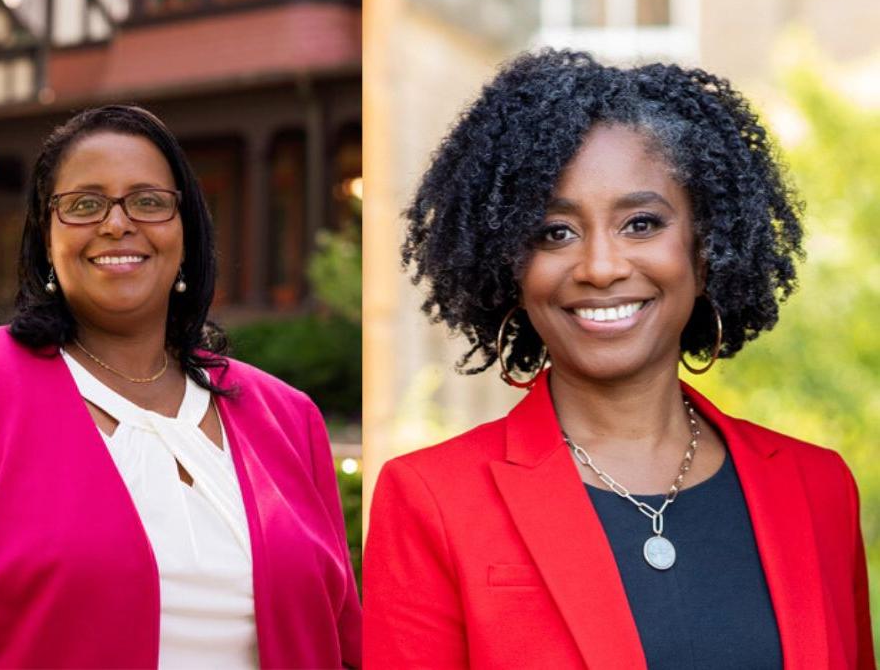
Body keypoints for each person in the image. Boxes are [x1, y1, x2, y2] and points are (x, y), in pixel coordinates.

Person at [363, 50, 873, 668]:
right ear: (509, 266)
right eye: (555, 232)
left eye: (640, 223)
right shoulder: (431, 498)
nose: (601, 267)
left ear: (705, 247)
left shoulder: (818, 488)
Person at [0, 105, 361, 668]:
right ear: (46, 238)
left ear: (187, 233)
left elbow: (345, 639)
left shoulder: (286, 415)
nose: (117, 223)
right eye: (84, 204)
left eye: (149, 201)